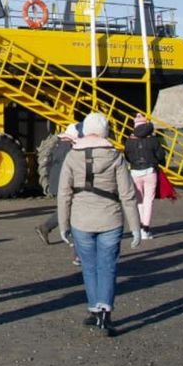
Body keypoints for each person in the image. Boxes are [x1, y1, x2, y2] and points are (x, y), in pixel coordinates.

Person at [57, 112, 142, 336]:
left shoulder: (72, 156)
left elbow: (64, 193)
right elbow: (127, 194)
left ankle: (95, 309)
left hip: (81, 219)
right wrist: (135, 227)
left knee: (89, 266)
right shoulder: (115, 156)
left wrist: (62, 224)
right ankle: (105, 311)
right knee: (108, 266)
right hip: (110, 219)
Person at [34, 122, 80, 264]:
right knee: (71, 210)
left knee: (66, 208)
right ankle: (73, 241)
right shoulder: (71, 148)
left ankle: (46, 228)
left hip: (56, 182)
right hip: (65, 183)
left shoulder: (58, 145)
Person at [123, 113, 164, 240]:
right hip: (150, 171)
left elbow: (127, 156)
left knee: (139, 200)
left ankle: (140, 226)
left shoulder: (129, 141)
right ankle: (146, 228)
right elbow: (161, 155)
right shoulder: (153, 139)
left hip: (135, 171)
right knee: (148, 200)